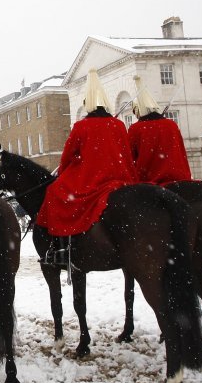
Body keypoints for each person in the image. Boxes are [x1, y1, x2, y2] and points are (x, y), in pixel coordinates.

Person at [36, 69, 138, 266]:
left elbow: (67, 157)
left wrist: (64, 174)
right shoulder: (117, 124)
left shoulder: (82, 126)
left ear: (87, 105)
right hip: (121, 178)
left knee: (54, 192)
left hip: (92, 180)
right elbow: (126, 154)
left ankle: (60, 247)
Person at [128, 76, 192, 184]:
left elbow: (130, 159)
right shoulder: (171, 124)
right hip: (180, 177)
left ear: (137, 110)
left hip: (150, 180)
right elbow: (181, 152)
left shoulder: (135, 129)